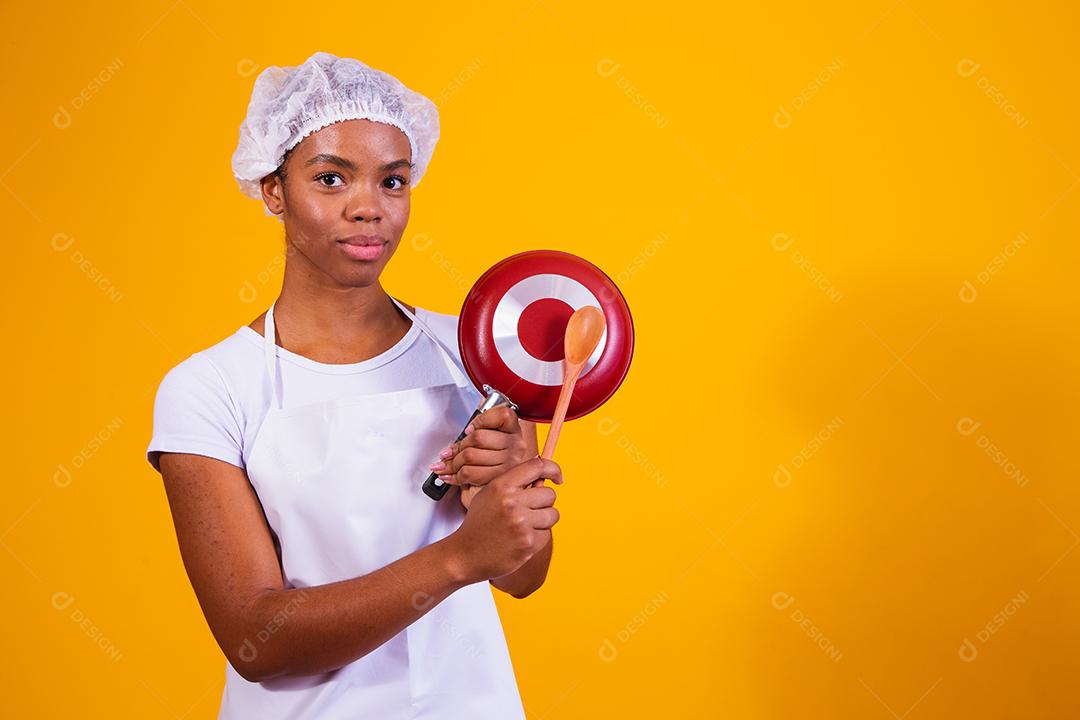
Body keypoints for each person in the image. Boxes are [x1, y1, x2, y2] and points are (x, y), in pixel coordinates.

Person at [145, 51, 562, 719]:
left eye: (392, 182)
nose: (369, 209)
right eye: (332, 178)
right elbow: (257, 639)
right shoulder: (210, 387)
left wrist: (506, 503)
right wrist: (459, 556)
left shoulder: (477, 349)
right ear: (273, 189)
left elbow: (523, 576)